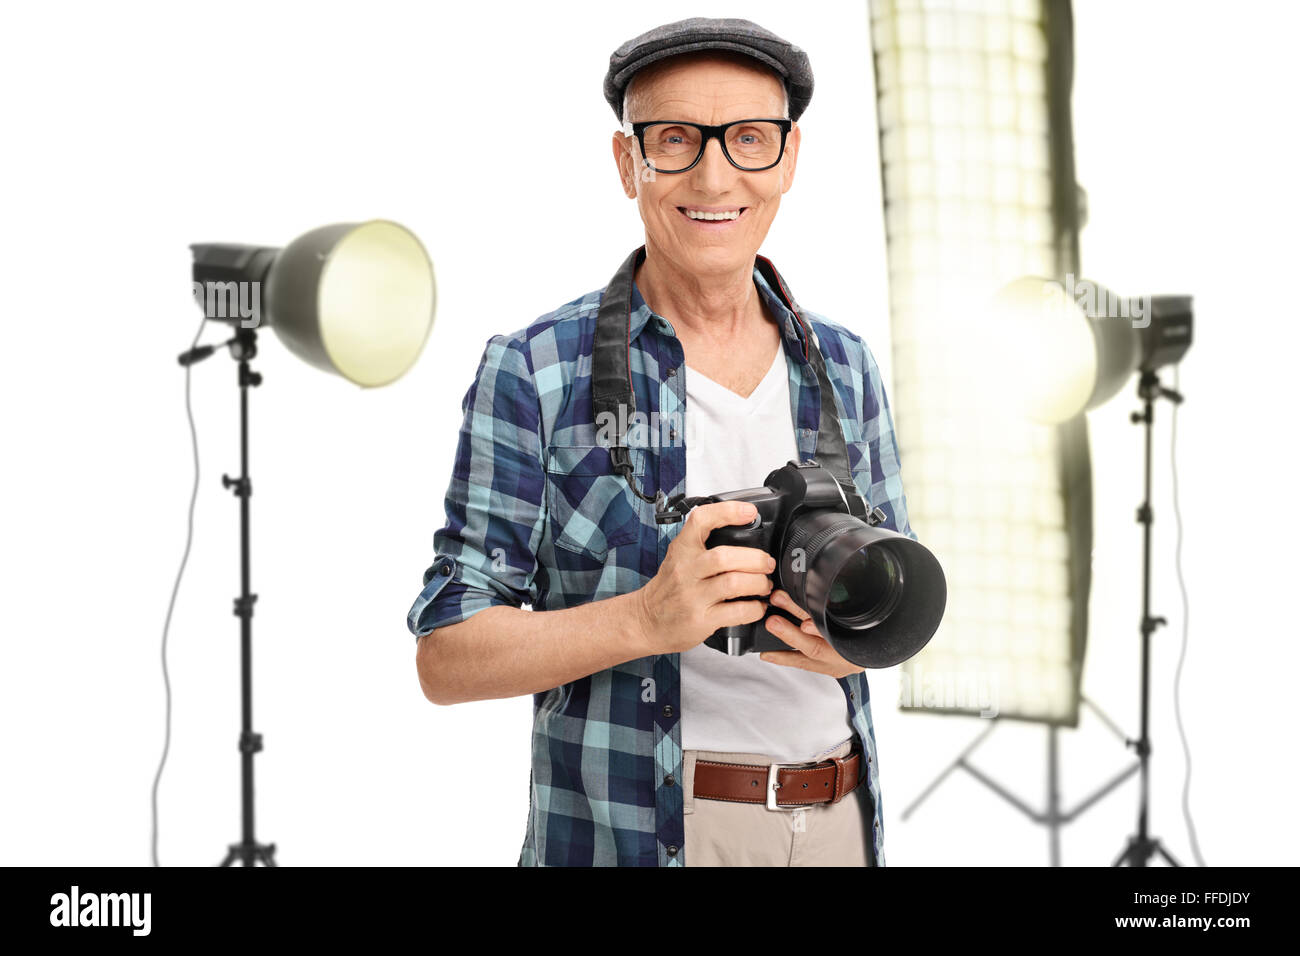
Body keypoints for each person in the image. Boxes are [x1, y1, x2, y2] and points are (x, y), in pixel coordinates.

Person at [408, 16, 914, 867]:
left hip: (838, 822)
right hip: (646, 832)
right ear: (627, 163)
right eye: (676, 139)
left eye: (749, 139)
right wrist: (648, 617)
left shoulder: (844, 364)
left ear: (789, 159)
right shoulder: (536, 370)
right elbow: (447, 656)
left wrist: (846, 643)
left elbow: (892, 600)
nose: (715, 175)